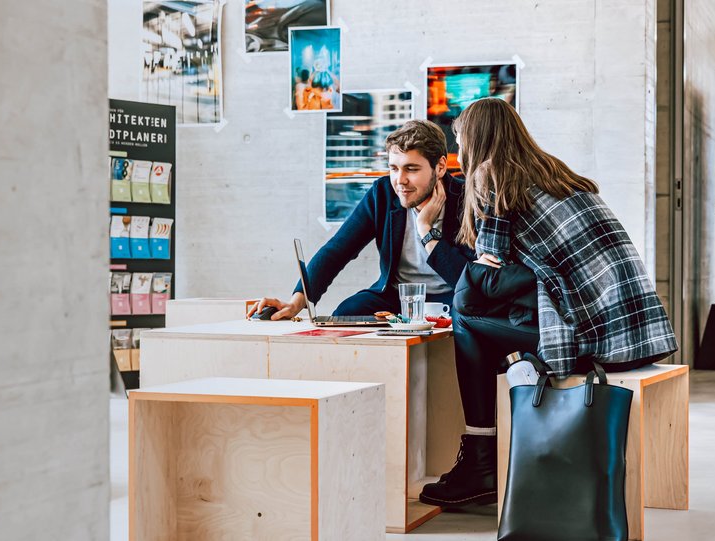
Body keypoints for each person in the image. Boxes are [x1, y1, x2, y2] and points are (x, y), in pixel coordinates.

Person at [418, 98, 678, 509]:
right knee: (496, 308)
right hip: (641, 331)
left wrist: (427, 234)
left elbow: (478, 285)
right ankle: (487, 453)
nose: (459, 151)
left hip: (599, 341)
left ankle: (481, 462)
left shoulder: (492, 176)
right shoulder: (551, 172)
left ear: (475, 140)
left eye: (460, 140)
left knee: (466, 320)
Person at [254, 120, 475, 319]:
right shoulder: (384, 193)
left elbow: (465, 280)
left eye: (411, 169)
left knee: (467, 321)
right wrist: (296, 302)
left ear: (440, 167)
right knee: (345, 314)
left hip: (451, 299)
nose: (400, 180)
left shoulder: (465, 198)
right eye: (394, 168)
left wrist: (426, 229)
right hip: (395, 297)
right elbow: (338, 249)